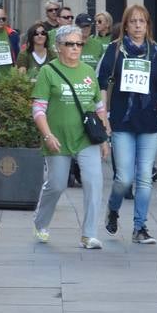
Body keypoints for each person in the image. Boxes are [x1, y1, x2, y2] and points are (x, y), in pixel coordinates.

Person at [31, 23, 111, 249]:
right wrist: (47, 135)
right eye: (70, 44)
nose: (76, 48)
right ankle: (41, 222)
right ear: (58, 46)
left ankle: (89, 234)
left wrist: (104, 137)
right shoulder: (48, 71)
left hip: (86, 138)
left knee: (94, 183)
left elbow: (99, 106)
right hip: (57, 139)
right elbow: (38, 109)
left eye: (79, 44)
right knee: (56, 185)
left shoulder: (88, 71)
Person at [97, 5, 157, 245]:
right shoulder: (115, 50)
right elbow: (102, 84)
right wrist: (103, 116)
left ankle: (140, 227)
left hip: (149, 122)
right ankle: (113, 208)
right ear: (125, 25)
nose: (138, 26)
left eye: (142, 21)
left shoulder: (156, 52)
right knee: (124, 178)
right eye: (133, 21)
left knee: (145, 177)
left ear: (148, 25)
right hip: (122, 121)